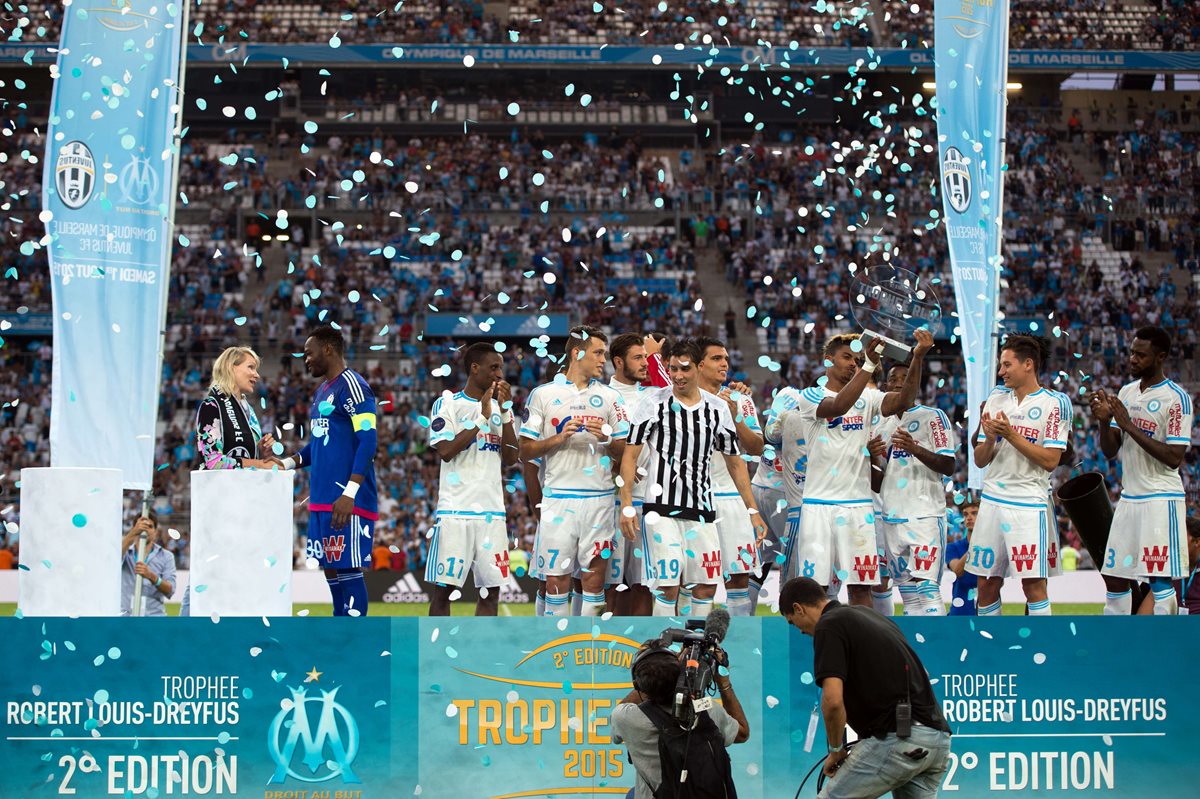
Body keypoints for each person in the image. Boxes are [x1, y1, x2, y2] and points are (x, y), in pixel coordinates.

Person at [778, 330, 932, 608]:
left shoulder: (869, 398)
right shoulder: (810, 396)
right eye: (847, 357)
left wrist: (918, 358)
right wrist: (869, 366)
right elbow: (838, 406)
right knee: (817, 590)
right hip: (818, 505)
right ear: (828, 361)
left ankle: (863, 646)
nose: (853, 363)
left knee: (861, 589)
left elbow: (903, 401)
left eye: (857, 358)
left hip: (858, 505)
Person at [619, 338, 768, 618]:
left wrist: (752, 511)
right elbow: (629, 457)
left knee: (706, 587)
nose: (677, 375)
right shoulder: (652, 403)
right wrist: (626, 503)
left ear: (698, 369)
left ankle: (694, 653)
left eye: (684, 369)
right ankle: (663, 652)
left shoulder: (719, 409)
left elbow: (736, 464)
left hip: (703, 511)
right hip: (660, 510)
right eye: (673, 368)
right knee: (668, 586)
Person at [780, 576, 952, 799]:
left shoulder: (828, 625)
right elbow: (923, 673)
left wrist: (835, 750)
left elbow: (832, 701)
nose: (800, 631)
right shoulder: (872, 615)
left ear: (798, 608)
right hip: (936, 738)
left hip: (899, 737)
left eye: (792, 622)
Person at [519, 326, 628, 617]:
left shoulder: (611, 397)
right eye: (598, 353)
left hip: (600, 499)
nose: (603, 359)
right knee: (556, 581)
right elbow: (524, 450)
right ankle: (553, 652)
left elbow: (627, 448)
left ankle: (588, 652)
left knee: (594, 580)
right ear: (577, 353)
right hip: (559, 498)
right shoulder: (543, 395)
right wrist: (558, 438)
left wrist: (605, 438)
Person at [1088, 326, 1193, 615]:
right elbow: (1111, 450)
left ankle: (1162, 649)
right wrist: (1103, 420)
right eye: (1132, 352)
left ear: (1160, 357)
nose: (1133, 359)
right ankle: (1117, 645)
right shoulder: (1127, 392)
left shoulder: (1177, 399)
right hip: (1130, 498)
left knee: (1159, 580)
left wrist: (1128, 426)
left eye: (1141, 354)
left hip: (1160, 499)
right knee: (1115, 577)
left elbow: (1174, 457)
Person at [281, 325, 379, 617]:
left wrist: (350, 492)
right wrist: (287, 463)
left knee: (348, 571)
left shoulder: (353, 385)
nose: (306, 359)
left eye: (309, 353)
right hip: (323, 500)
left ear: (328, 349)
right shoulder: (323, 391)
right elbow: (319, 444)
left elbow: (368, 438)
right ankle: (339, 635)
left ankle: (357, 641)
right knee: (332, 571)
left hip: (346, 500)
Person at [970, 335, 1071, 616]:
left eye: (1006, 365)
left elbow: (1051, 461)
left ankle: (1041, 651)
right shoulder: (996, 397)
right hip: (992, 501)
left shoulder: (1056, 403)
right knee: (986, 584)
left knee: (1033, 585)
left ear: (1028, 364)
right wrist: (989, 438)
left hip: (1028, 502)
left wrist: (1010, 435)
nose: (1001, 372)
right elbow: (979, 460)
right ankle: (991, 653)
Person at [426, 342, 518, 616]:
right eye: (493, 367)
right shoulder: (449, 404)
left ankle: (480, 657)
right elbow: (445, 451)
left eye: (501, 367)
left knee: (491, 593)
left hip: (492, 513)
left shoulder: (503, 409)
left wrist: (503, 412)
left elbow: (512, 458)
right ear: (474, 368)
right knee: (444, 591)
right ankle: (436, 653)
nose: (499, 374)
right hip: (455, 512)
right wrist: (481, 419)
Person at [610, 639, 749, 799]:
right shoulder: (706, 708)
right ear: (679, 675)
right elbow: (742, 733)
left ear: (638, 684)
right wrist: (724, 683)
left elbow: (619, 714)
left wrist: (656, 673)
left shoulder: (626, 718)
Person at [874, 362, 957, 616]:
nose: (899, 381)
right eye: (893, 378)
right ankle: (914, 652)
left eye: (905, 377)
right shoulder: (880, 426)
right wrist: (869, 458)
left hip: (925, 515)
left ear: (914, 384)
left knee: (928, 591)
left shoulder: (933, 417)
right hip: (892, 517)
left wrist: (915, 449)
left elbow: (949, 465)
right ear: (886, 386)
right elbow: (877, 483)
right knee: (908, 598)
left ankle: (937, 653)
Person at [695, 336, 767, 616]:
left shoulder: (741, 399)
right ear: (699, 365)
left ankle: (739, 645)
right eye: (716, 359)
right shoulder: (685, 401)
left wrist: (735, 416)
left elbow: (757, 447)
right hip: (698, 501)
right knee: (701, 583)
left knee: (738, 578)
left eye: (725, 358)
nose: (724, 363)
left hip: (735, 500)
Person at [605, 332, 655, 616]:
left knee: (643, 585)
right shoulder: (602, 397)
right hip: (611, 503)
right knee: (609, 585)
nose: (645, 363)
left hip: (648, 502)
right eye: (638, 358)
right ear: (618, 362)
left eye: (646, 357)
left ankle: (643, 651)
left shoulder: (652, 396)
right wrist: (618, 466)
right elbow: (594, 447)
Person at [194, 346, 278, 470]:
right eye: (251, 367)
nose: (257, 375)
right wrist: (259, 464)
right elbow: (212, 462)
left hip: (246, 487)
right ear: (231, 367)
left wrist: (261, 452)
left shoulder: (249, 410)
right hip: (220, 489)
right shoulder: (211, 406)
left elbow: (248, 460)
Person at [120, 512, 176, 617]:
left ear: (155, 531)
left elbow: (170, 590)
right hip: (126, 619)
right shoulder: (125, 552)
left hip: (154, 620)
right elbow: (112, 562)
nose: (145, 530)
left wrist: (152, 576)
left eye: (150, 526)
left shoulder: (166, 556)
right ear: (134, 528)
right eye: (141, 526)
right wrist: (132, 533)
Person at [945, 501, 979, 616]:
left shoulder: (995, 547)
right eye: (965, 514)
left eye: (975, 514)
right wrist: (976, 545)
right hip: (960, 612)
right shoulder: (953, 547)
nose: (969, 518)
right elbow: (958, 571)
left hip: (987, 611)